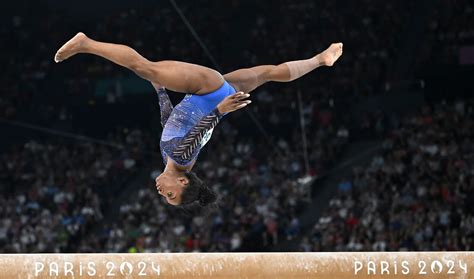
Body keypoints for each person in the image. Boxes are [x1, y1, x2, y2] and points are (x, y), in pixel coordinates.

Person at [54, 32, 343, 210]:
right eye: (171, 194)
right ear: (182, 181)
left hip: (214, 91)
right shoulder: (183, 158)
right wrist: (220, 110)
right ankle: (86, 43)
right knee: (145, 67)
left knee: (269, 73)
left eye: (165, 197)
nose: (162, 193)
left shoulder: (170, 157)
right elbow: (199, 129)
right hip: (208, 90)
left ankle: (320, 60)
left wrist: (160, 93)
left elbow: (171, 123)